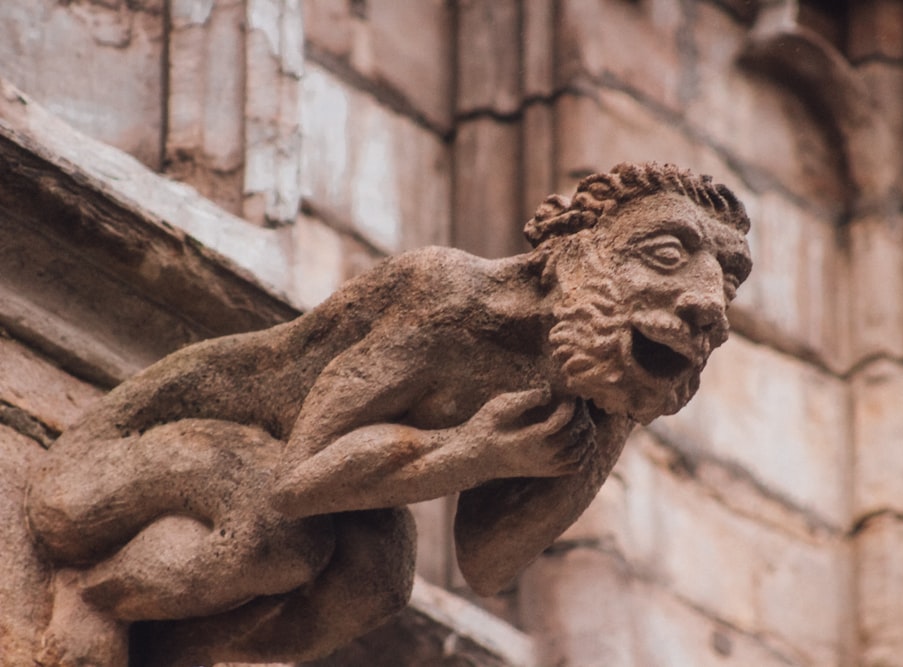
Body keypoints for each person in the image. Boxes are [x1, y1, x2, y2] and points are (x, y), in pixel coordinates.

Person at [26, 162, 752, 666]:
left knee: (379, 576)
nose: (707, 306)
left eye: (725, 282)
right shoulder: (447, 298)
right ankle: (94, 595)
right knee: (282, 539)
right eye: (665, 254)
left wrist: (606, 422)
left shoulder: (596, 389)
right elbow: (298, 477)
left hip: (280, 494)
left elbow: (489, 562)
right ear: (576, 252)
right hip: (117, 467)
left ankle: (175, 650)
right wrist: (475, 452)